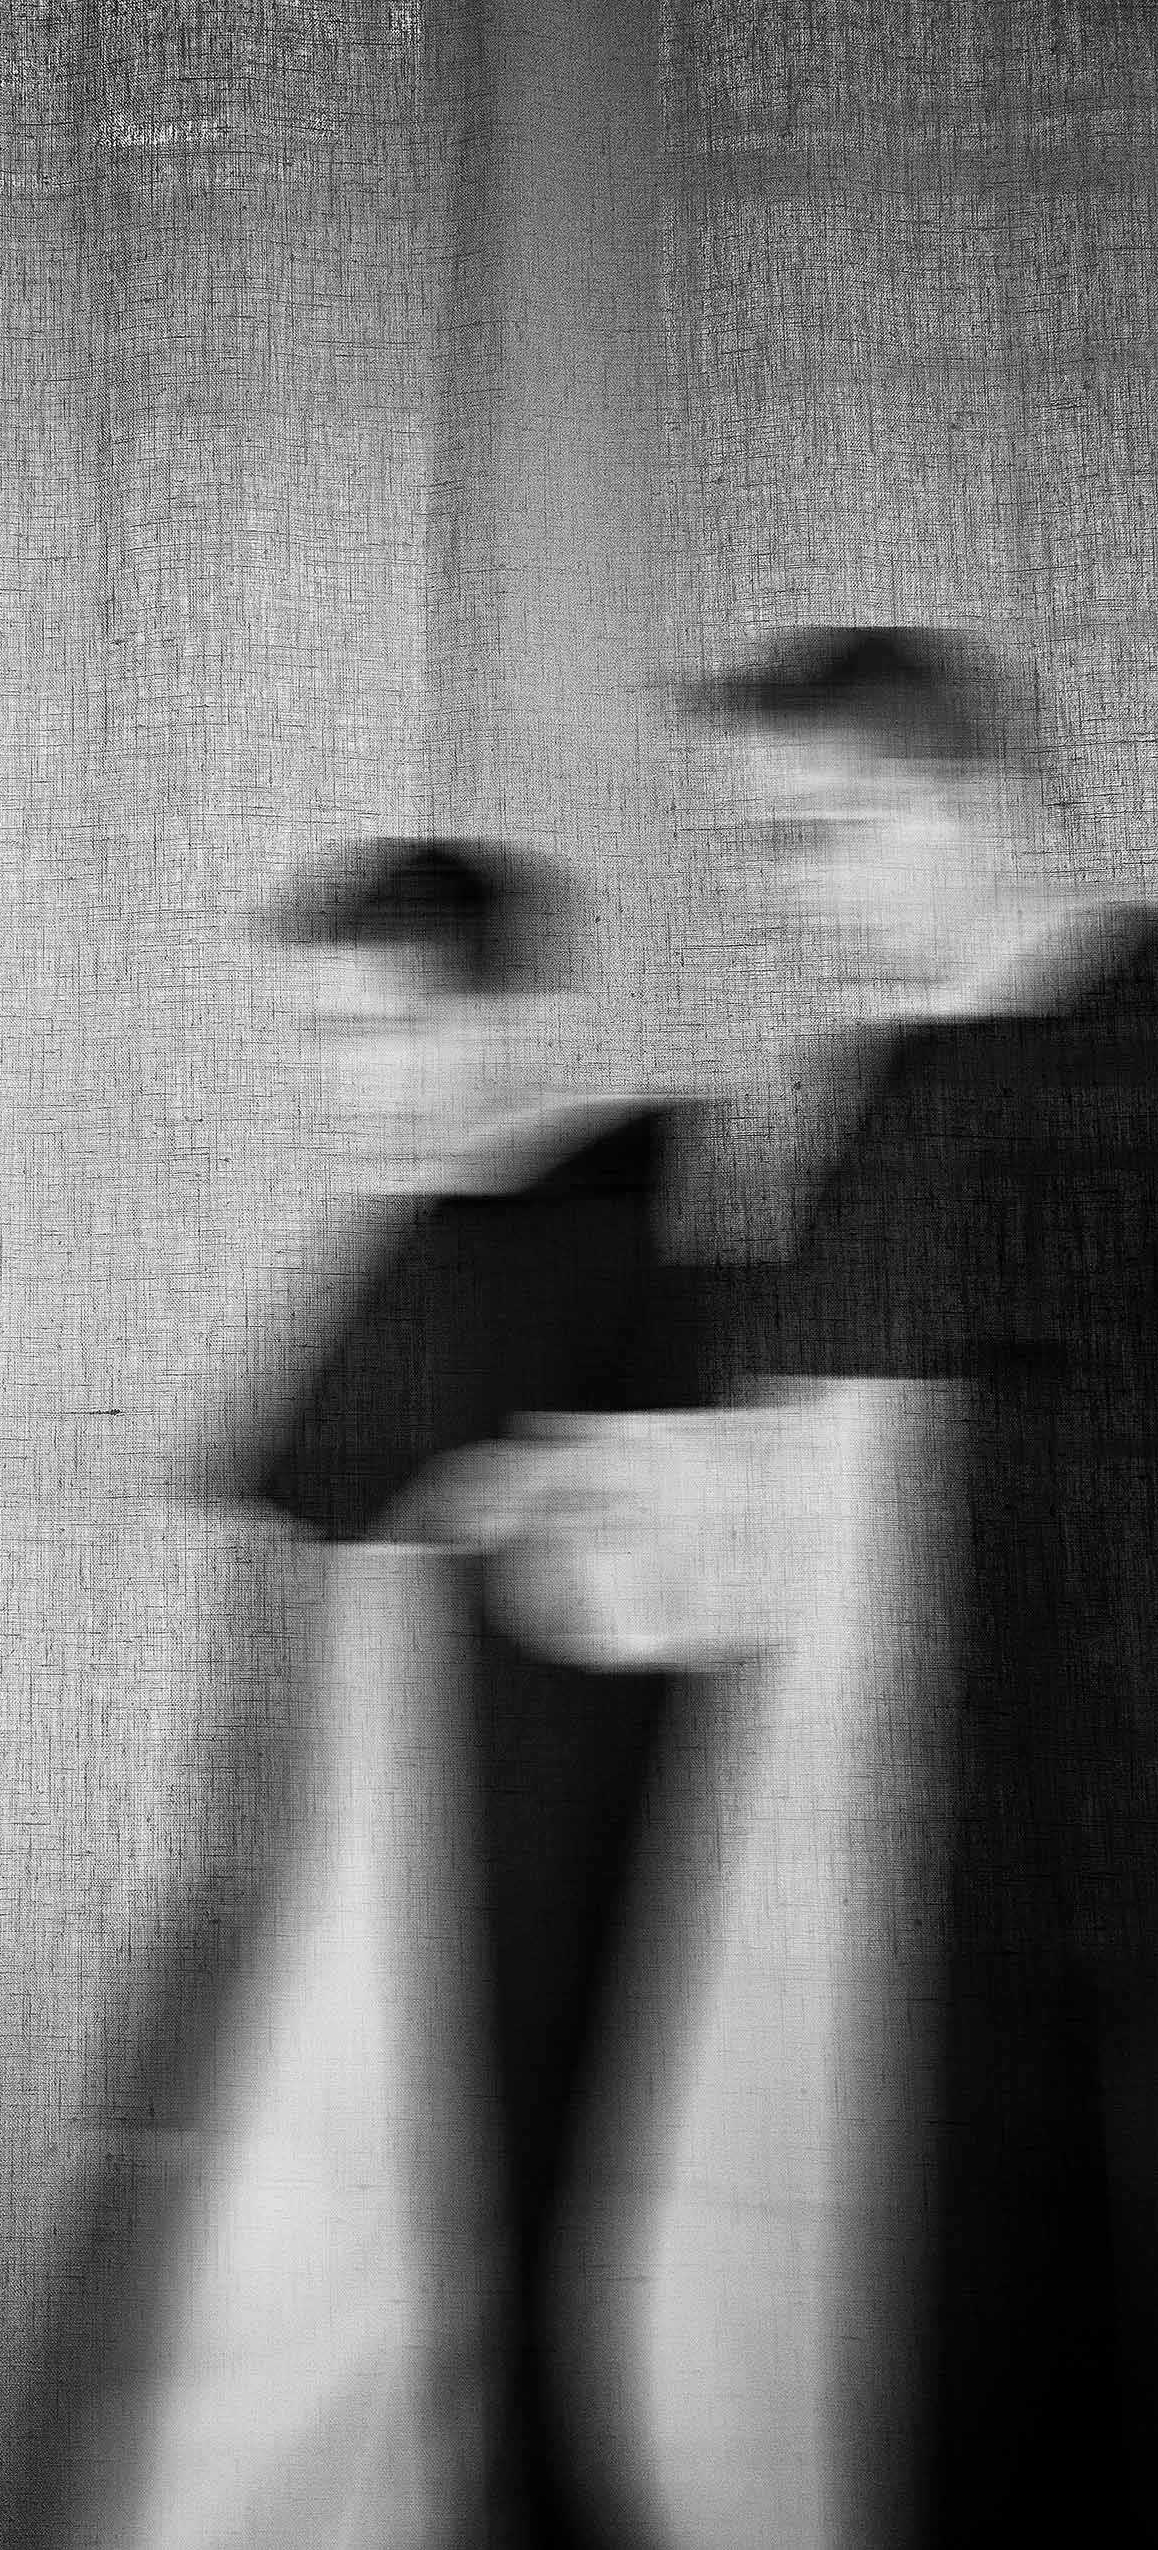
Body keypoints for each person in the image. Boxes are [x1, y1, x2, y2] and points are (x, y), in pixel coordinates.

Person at [480, 631, 1158, 2547]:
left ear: (1002, 800)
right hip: (918, 1887)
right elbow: (815, 1472)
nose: (799, 894)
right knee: (948, 2373)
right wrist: (620, 1505)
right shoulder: (860, 1093)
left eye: (833, 834)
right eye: (769, 848)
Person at [195, 837, 711, 2550]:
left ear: (525, 1013)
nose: (358, 1084)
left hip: (557, 1907)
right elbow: (313, 1574)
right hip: (369, 1916)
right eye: (327, 1037)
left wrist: (579, 1504)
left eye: (400, 1028)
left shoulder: (636, 1242)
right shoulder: (423, 1244)